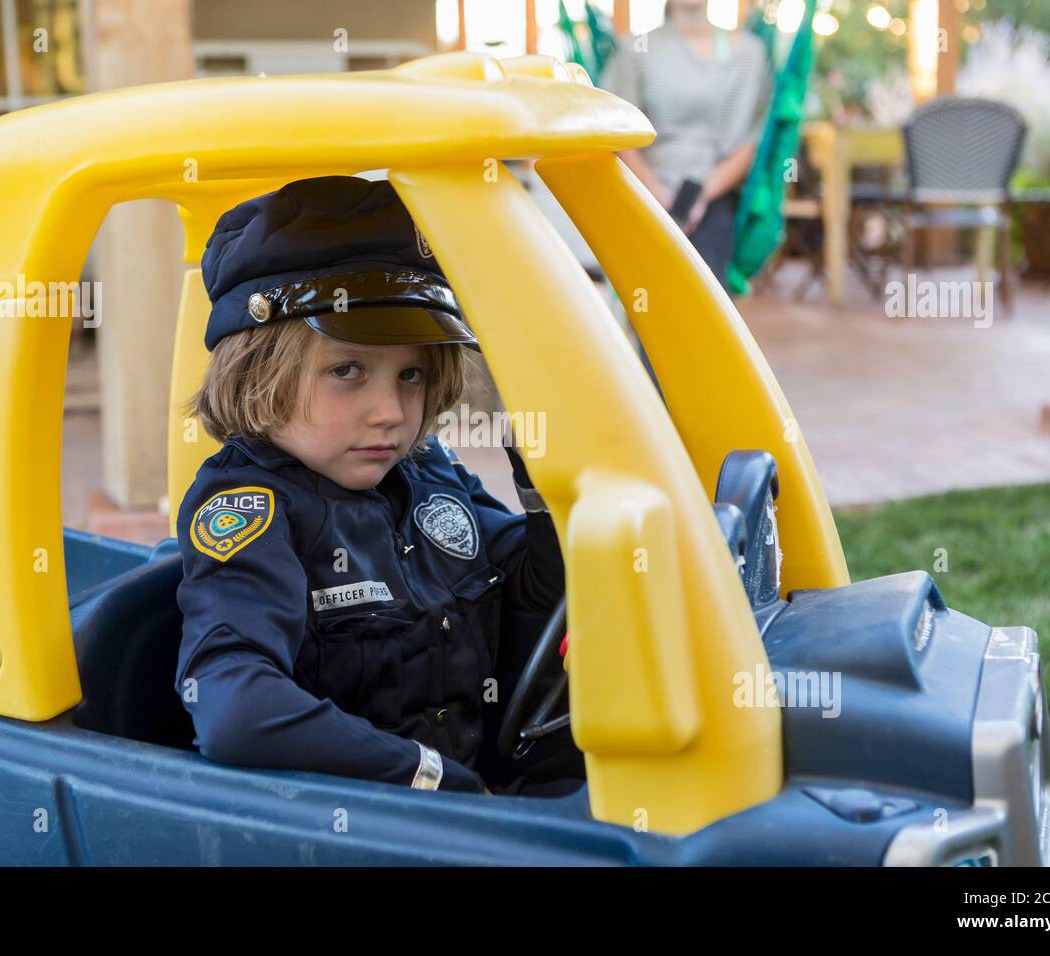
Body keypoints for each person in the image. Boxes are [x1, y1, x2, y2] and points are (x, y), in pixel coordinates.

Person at [174, 174, 574, 797]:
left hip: (491, 796)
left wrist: (547, 479)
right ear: (259, 372)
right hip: (374, 826)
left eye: (410, 373)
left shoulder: (423, 468)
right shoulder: (250, 509)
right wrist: (430, 776)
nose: (391, 410)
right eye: (348, 370)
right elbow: (235, 710)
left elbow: (536, 592)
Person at [600, 0, 772, 282]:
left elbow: (752, 143)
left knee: (707, 287)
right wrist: (658, 193)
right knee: (648, 294)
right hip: (645, 193)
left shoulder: (750, 53)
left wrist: (700, 195)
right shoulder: (634, 49)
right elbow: (616, 132)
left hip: (715, 195)